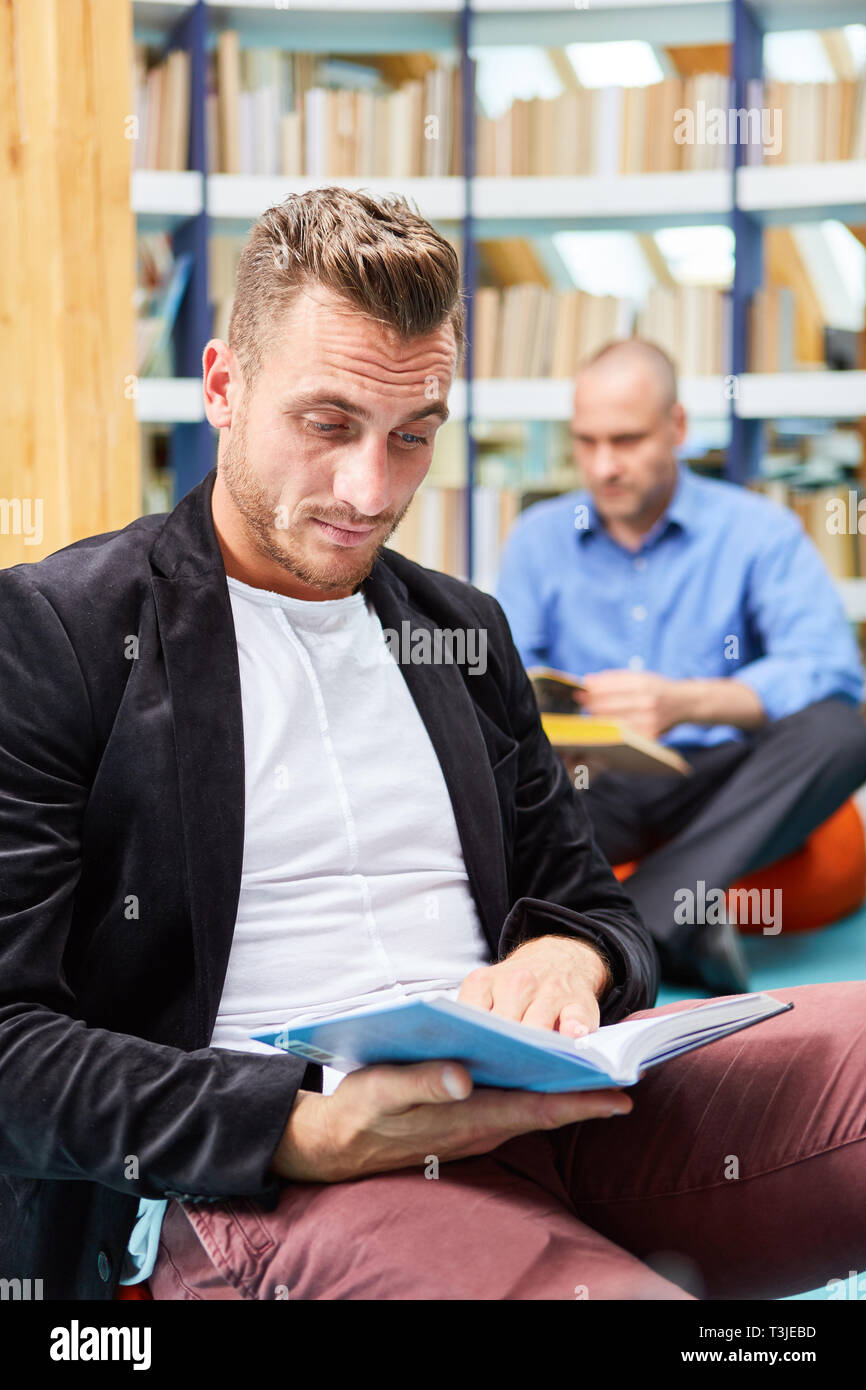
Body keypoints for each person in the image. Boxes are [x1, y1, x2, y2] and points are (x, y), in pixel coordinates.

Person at [0, 190, 863, 1303]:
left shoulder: (457, 629)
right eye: (327, 425)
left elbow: (589, 905)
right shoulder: (56, 632)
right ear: (223, 386)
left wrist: (573, 959)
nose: (371, 490)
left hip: (556, 1105)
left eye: (413, 437)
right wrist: (303, 1129)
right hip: (281, 1174)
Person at [496, 338, 866, 994]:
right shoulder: (537, 539)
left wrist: (686, 703)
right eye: (586, 442)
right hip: (591, 785)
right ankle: (681, 921)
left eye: (628, 439)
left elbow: (829, 667)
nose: (604, 465)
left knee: (846, 729)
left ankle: (634, 925)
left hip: (722, 782)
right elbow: (510, 690)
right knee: (496, 790)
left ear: (679, 428)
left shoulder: (759, 532)